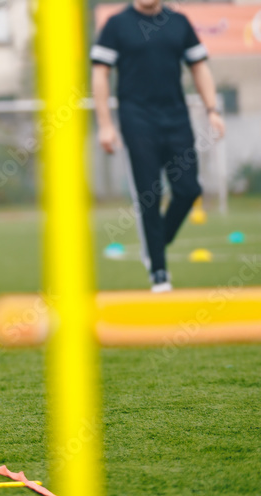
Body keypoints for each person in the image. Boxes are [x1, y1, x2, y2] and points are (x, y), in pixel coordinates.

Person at [92, 0, 225, 293]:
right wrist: (105, 124)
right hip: (136, 118)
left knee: (189, 189)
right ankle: (159, 273)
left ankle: (156, 244)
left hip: (176, 118)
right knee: (150, 195)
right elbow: (100, 74)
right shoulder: (116, 25)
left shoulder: (179, 22)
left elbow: (199, 67)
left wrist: (212, 109)